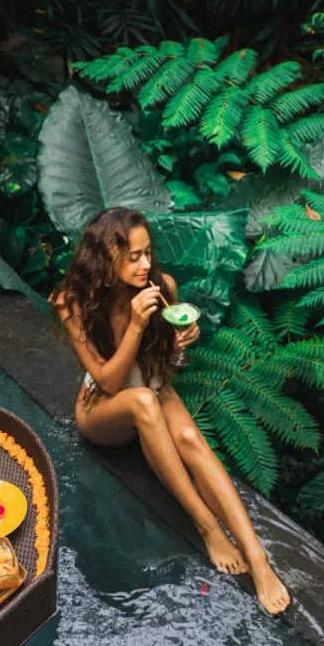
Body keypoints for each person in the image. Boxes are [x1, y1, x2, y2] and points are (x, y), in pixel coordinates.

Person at [50, 207, 291, 615]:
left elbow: (170, 370)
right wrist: (138, 327)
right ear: (105, 256)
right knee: (143, 401)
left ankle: (259, 559)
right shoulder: (72, 302)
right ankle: (207, 526)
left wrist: (180, 348)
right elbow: (108, 382)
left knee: (189, 438)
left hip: (152, 387)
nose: (146, 264)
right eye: (133, 257)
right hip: (104, 408)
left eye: (147, 253)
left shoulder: (164, 288)